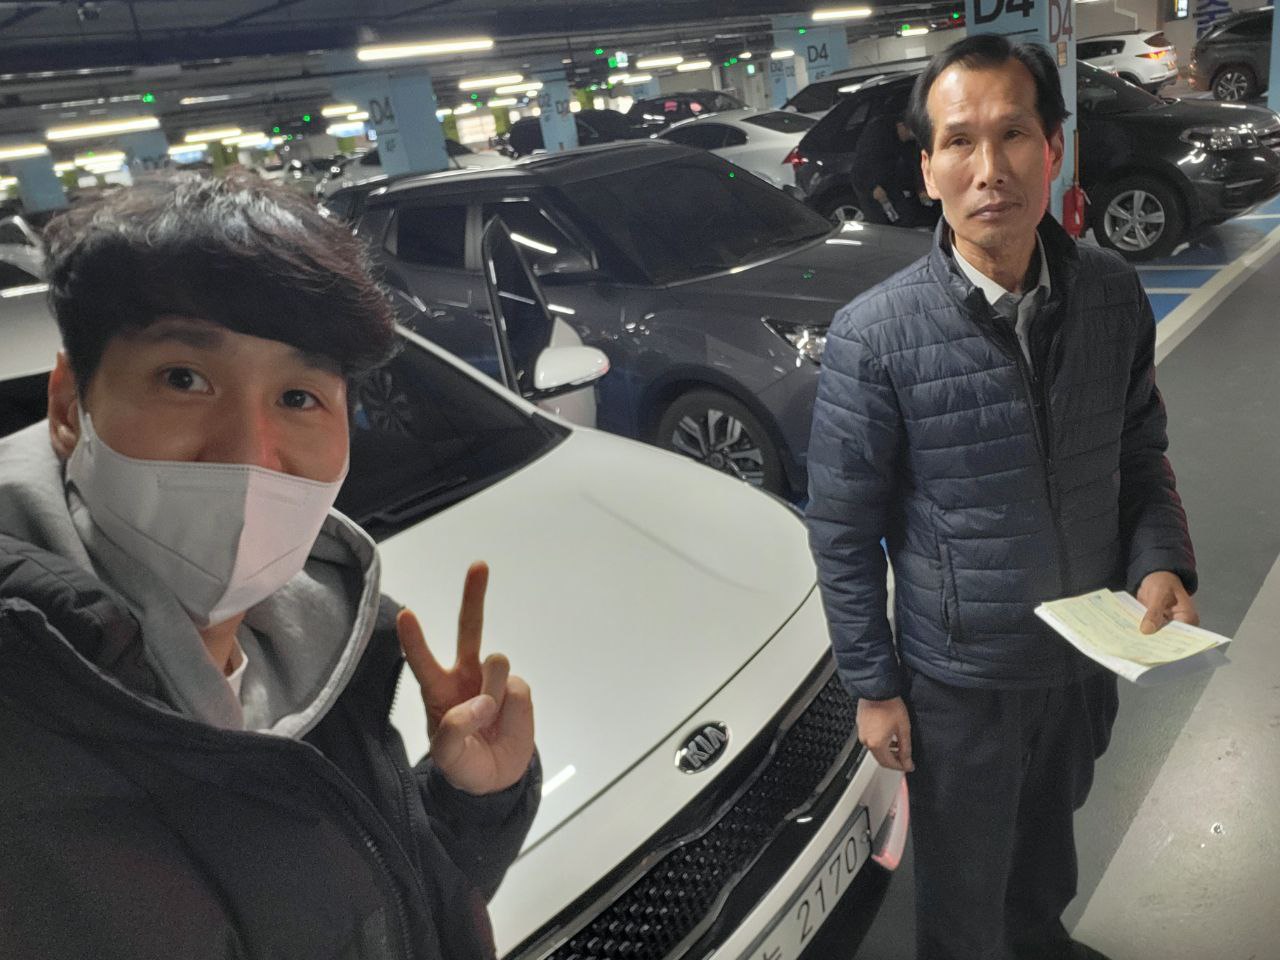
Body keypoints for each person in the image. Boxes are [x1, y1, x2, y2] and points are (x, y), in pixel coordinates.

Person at [0, 174, 540, 959]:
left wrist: (471, 802)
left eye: (297, 397)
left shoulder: (330, 665)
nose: (249, 455)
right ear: (67, 407)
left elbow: (365, 919)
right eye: (184, 378)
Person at [806, 34, 1197, 960]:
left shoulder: (1111, 295)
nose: (990, 169)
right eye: (959, 141)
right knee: (962, 891)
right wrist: (874, 688)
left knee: (1046, 859)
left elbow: (1139, 451)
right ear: (928, 168)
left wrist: (1160, 563)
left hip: (1082, 657)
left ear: (1054, 147)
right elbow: (843, 531)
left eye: (1014, 134)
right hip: (961, 683)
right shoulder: (876, 337)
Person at [849, 113, 935, 227]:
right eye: (909, 134)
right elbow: (861, 168)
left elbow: (914, 163)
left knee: (905, 214)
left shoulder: (906, 142)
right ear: (901, 126)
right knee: (879, 221)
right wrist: (872, 187)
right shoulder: (877, 135)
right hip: (866, 182)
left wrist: (921, 188)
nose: (909, 138)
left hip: (889, 179)